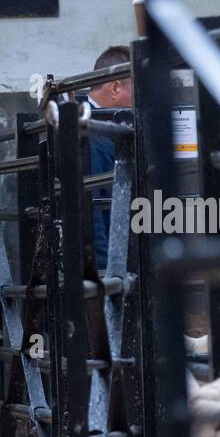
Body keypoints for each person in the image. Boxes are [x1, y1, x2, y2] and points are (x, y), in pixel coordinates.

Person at [86, 45, 133, 272]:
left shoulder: (88, 122)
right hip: (106, 262)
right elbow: (92, 213)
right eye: (137, 89)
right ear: (115, 88)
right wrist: (107, 273)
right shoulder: (92, 135)